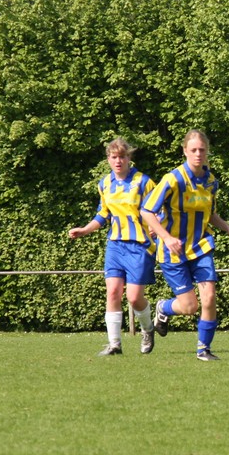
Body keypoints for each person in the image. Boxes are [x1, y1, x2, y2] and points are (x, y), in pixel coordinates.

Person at [140, 129, 229, 361]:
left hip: (201, 247)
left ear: (207, 152)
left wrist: (228, 229)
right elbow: (146, 211)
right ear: (185, 151)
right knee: (189, 307)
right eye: (193, 150)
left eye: (202, 150)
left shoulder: (211, 181)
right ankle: (163, 308)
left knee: (210, 297)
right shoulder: (173, 179)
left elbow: (210, 214)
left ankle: (203, 349)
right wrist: (166, 237)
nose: (198, 154)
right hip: (173, 251)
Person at [67, 138, 157, 356]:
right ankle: (114, 344)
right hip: (115, 245)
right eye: (114, 157)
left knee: (134, 298)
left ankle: (148, 329)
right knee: (113, 291)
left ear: (129, 158)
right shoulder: (105, 183)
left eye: (122, 157)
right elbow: (103, 214)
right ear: (108, 159)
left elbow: (159, 210)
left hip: (139, 246)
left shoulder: (143, 182)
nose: (118, 161)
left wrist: (157, 228)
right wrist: (85, 230)